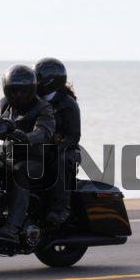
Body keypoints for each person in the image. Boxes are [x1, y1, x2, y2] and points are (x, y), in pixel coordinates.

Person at [0, 64, 55, 245]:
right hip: (8, 155)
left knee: (20, 171)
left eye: (23, 91)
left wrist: (27, 137)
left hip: (33, 159)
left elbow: (45, 131)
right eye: (14, 90)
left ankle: (13, 227)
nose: (18, 95)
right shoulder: (3, 105)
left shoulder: (43, 107)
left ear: (32, 89)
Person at [33, 57, 81, 225]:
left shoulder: (68, 103)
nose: (36, 82)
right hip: (39, 147)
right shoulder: (33, 100)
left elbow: (74, 136)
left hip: (67, 149)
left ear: (50, 80)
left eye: (38, 78)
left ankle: (59, 210)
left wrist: (55, 146)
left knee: (60, 160)